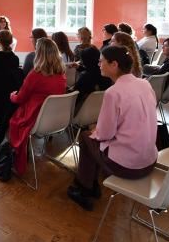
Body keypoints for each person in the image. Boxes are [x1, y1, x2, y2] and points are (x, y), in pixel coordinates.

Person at [67, 46, 158, 211]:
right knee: (91, 137)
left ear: (114, 64)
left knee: (86, 137)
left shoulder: (113, 92)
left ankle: (85, 188)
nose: (99, 64)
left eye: (102, 61)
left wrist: (96, 129)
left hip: (129, 166)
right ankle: (89, 184)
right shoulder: (144, 83)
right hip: (149, 159)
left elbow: (105, 134)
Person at [7, 38, 67, 176]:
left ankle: (10, 153)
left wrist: (12, 96)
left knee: (12, 110)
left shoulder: (35, 74)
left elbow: (20, 98)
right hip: (56, 119)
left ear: (39, 54)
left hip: (37, 119)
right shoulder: (61, 74)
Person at [72, 45, 112, 111]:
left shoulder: (84, 79)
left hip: (81, 112)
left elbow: (74, 98)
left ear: (86, 61)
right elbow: (93, 71)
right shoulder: (107, 75)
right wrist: (79, 67)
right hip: (98, 111)